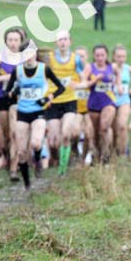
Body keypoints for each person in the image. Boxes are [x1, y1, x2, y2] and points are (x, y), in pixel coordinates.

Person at [5, 39, 66, 190]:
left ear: (35, 53)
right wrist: (14, 92)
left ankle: (38, 161)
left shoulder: (44, 69)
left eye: (31, 53)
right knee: (21, 152)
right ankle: (27, 185)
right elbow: (8, 92)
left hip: (39, 111)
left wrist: (48, 98)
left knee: (36, 143)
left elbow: (60, 88)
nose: (29, 56)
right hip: (23, 112)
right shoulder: (18, 71)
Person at [0, 27, 27, 182]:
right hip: (1, 98)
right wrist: (8, 77)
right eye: (10, 40)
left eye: (16, 40)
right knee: (6, 135)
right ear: (5, 41)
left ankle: (13, 169)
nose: (13, 43)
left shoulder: (25, 58)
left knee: (14, 133)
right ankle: (7, 155)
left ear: (21, 41)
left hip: (18, 99)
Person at [46, 30, 84, 175]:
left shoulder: (76, 59)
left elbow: (83, 79)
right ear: (56, 43)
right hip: (54, 101)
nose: (62, 42)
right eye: (60, 40)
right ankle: (57, 159)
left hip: (69, 100)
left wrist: (78, 85)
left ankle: (63, 169)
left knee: (66, 134)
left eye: (65, 39)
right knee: (54, 141)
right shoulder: (49, 58)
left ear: (70, 42)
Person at [79, 44, 121, 164]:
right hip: (94, 103)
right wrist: (95, 80)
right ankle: (95, 158)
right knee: (95, 134)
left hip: (109, 102)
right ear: (94, 56)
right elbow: (84, 83)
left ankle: (105, 155)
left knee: (104, 127)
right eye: (97, 55)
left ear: (106, 55)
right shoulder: (90, 67)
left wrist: (118, 85)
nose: (100, 58)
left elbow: (118, 74)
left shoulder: (112, 66)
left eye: (102, 55)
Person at [112, 44, 131, 158]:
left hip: (124, 99)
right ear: (114, 57)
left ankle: (123, 153)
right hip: (111, 100)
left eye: (123, 56)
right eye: (119, 56)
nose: (121, 59)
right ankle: (112, 152)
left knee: (122, 126)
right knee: (113, 128)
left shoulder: (128, 68)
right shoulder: (110, 67)